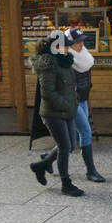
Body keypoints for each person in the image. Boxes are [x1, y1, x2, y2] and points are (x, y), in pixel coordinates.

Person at [28, 31, 84, 196]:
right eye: (65, 46)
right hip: (53, 112)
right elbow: (48, 93)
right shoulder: (48, 65)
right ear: (56, 47)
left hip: (67, 110)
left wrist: (74, 99)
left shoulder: (64, 62)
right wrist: (66, 104)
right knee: (65, 147)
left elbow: (68, 86)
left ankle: (41, 165)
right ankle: (66, 184)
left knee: (71, 144)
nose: (68, 49)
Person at [65, 27, 105, 183]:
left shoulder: (84, 56)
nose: (81, 44)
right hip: (73, 100)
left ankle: (46, 161)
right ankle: (91, 171)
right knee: (86, 132)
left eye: (82, 41)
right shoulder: (67, 58)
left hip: (83, 97)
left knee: (71, 137)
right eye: (77, 42)